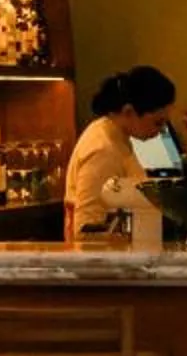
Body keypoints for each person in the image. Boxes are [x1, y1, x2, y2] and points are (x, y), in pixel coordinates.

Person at [63, 66, 175, 243]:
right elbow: (86, 229)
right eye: (157, 123)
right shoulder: (102, 150)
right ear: (129, 112)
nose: (161, 131)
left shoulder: (117, 137)